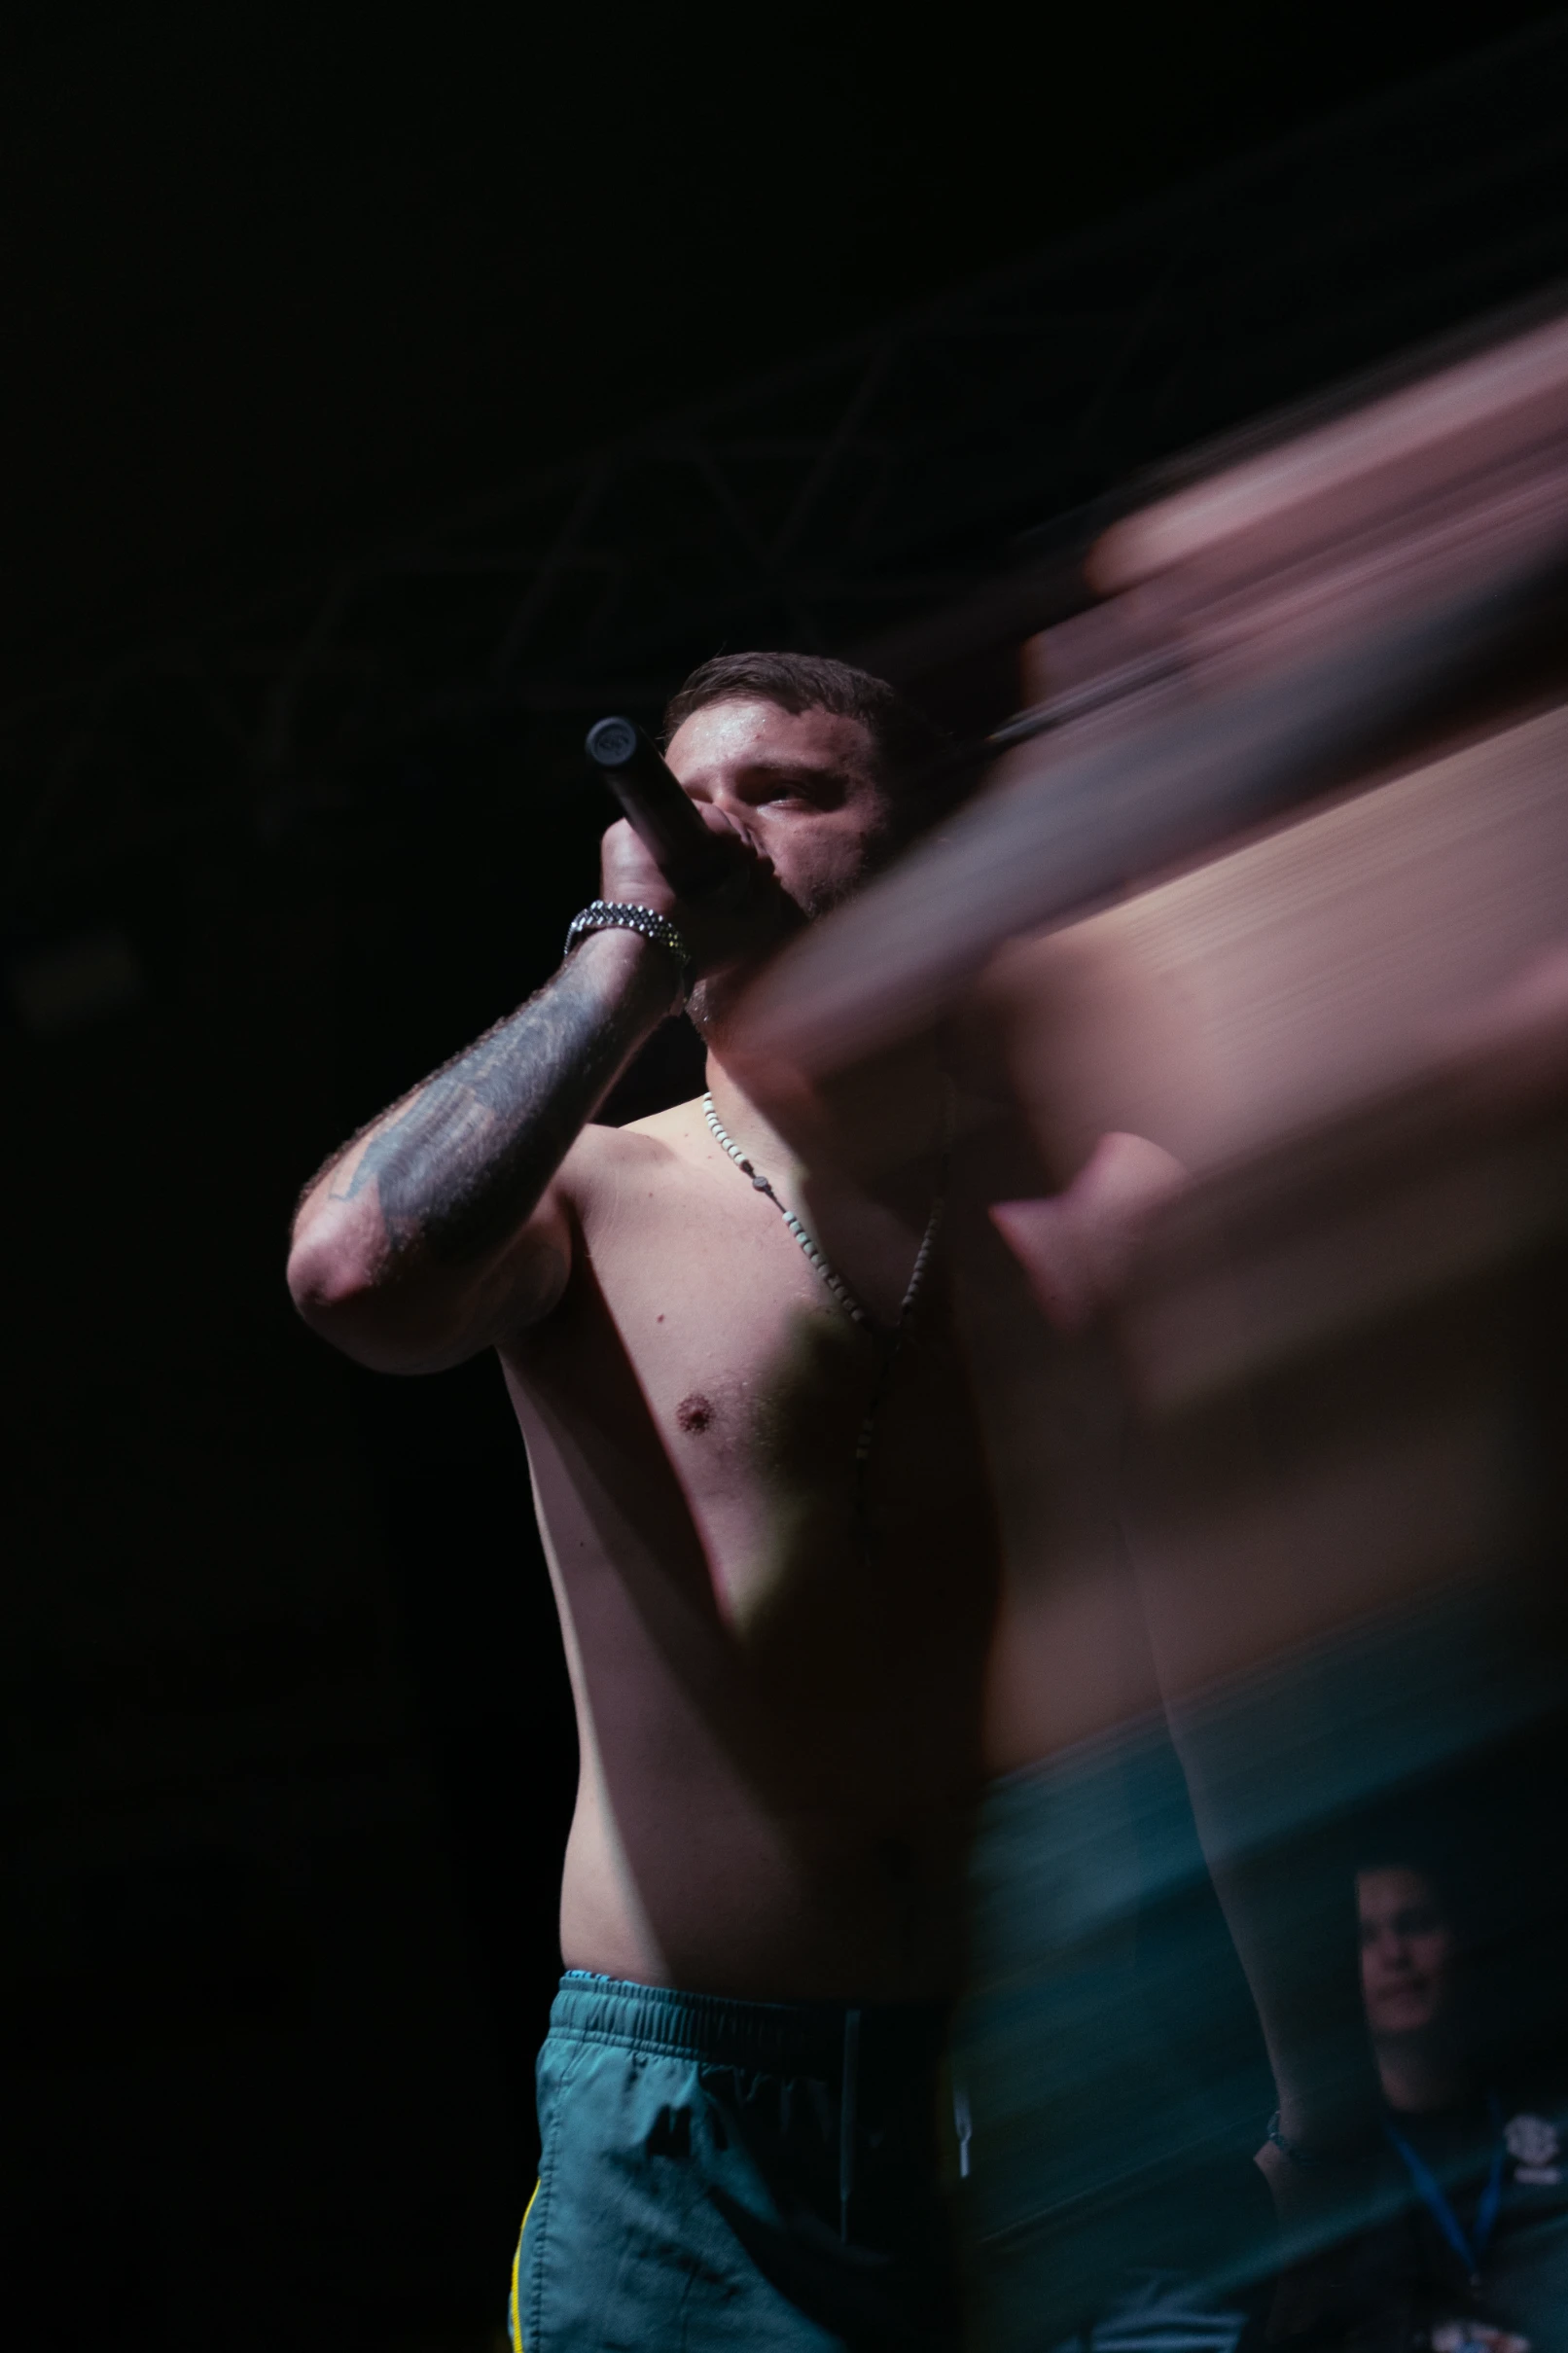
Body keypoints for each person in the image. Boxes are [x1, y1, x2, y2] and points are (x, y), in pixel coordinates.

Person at [287, 653, 1012, 2352]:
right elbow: (354, 1272)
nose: (719, 831)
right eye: (686, 803)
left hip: (1043, 2047)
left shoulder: (1051, 1184)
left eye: (788, 790)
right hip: (699, 2113)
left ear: (916, 841)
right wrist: (622, 956)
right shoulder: (598, 1191)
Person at [1347, 1854, 1568, 2353]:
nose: (1394, 1953)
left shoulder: (1551, 2120)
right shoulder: (1327, 2165)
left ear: (1458, 1940)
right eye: (1364, 1937)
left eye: (1415, 1925)